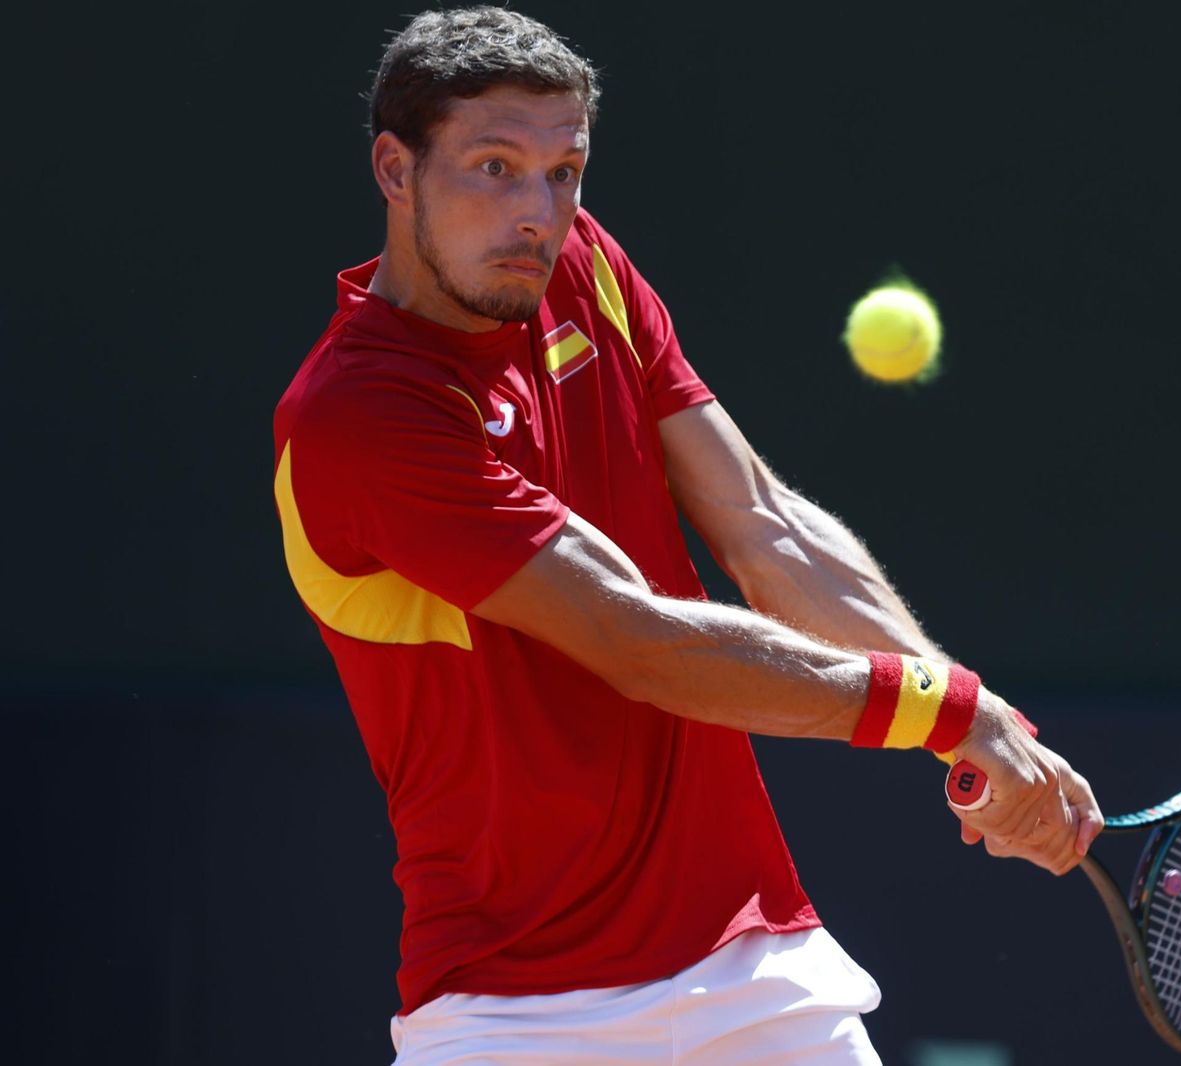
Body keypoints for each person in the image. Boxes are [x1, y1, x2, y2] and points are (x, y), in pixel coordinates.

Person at [272, 7, 1102, 1063]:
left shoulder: (580, 267)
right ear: (396, 169)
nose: (539, 210)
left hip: (761, 975)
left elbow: (766, 526)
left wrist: (985, 725)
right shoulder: (359, 414)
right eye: (494, 165)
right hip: (516, 1015)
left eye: (564, 170)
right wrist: (944, 712)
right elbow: (637, 642)